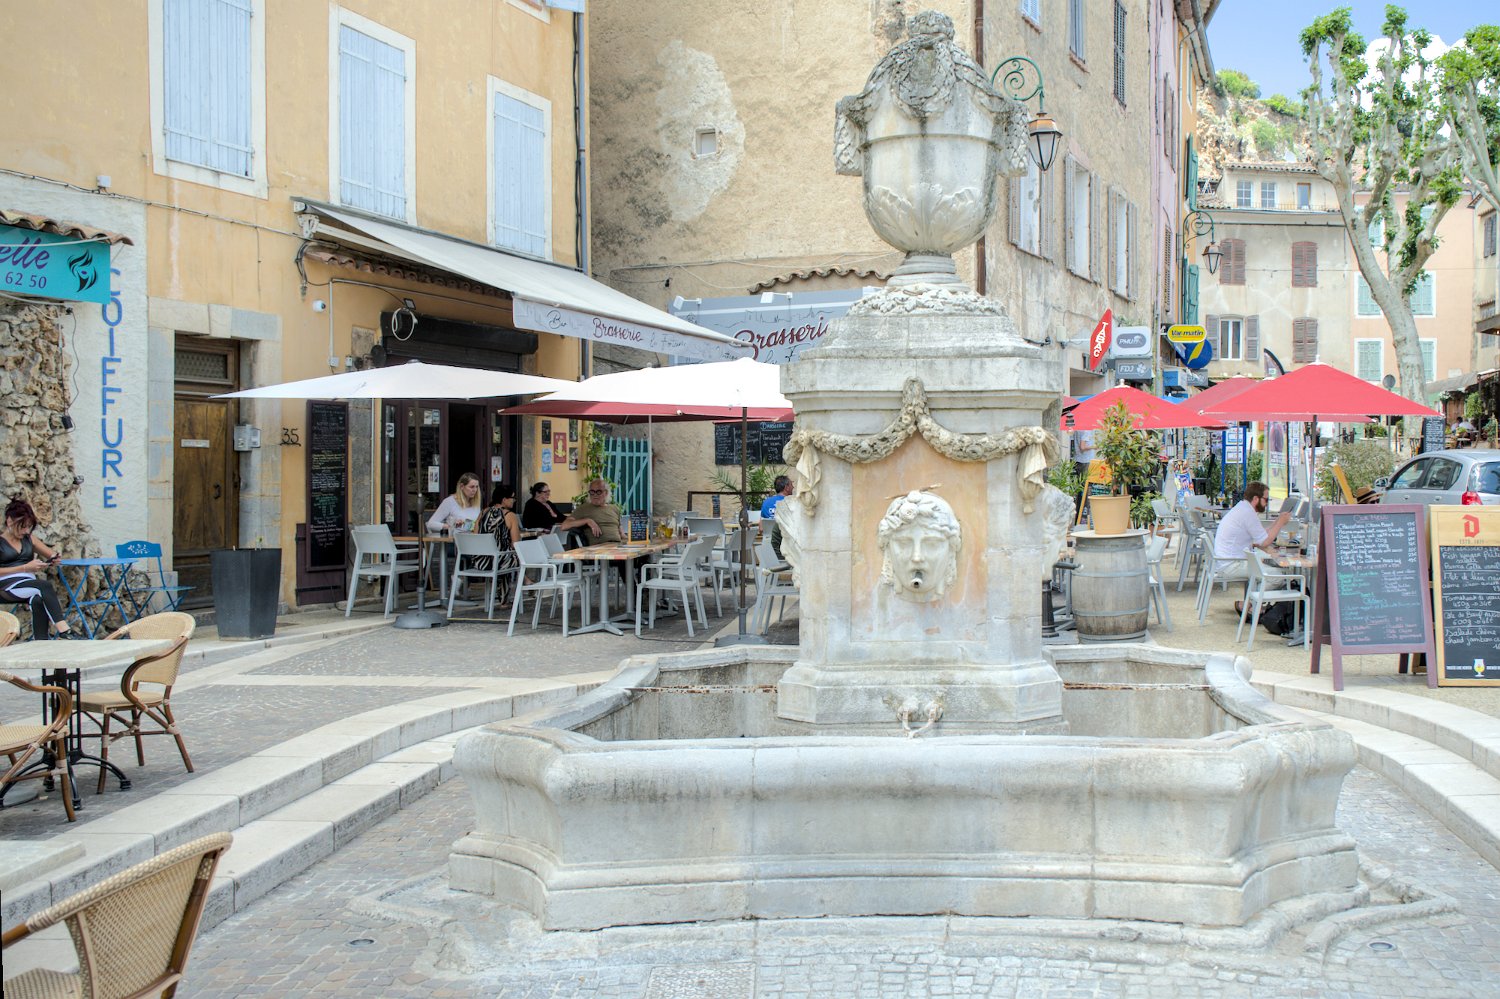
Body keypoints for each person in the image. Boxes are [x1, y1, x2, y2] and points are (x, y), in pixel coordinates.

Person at [0, 497, 80, 639]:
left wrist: (54, 558)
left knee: (37, 599)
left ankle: (41, 641)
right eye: (22, 526)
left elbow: (51, 554)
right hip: (5, 586)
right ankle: (64, 630)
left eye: (29, 526)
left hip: (27, 584)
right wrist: (25, 568)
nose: (26, 531)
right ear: (10, 521)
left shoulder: (29, 539)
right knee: (44, 586)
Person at [1213, 481, 1293, 609]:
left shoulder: (1243, 508)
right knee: (1277, 577)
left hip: (1226, 561)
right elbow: (1265, 541)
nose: (1267, 503)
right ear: (1256, 499)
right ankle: (1248, 606)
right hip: (1232, 565)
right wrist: (1281, 523)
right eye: (1266, 500)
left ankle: (1252, 606)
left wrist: (1278, 520)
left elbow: (1261, 536)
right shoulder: (1247, 513)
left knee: (1267, 568)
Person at [472, 485, 522, 591]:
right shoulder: (510, 515)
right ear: (504, 499)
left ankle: (524, 581)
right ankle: (525, 583)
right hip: (500, 562)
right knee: (516, 557)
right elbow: (516, 544)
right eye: (513, 497)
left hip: (480, 562)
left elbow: (475, 537)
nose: (514, 500)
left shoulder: (483, 513)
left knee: (506, 555)